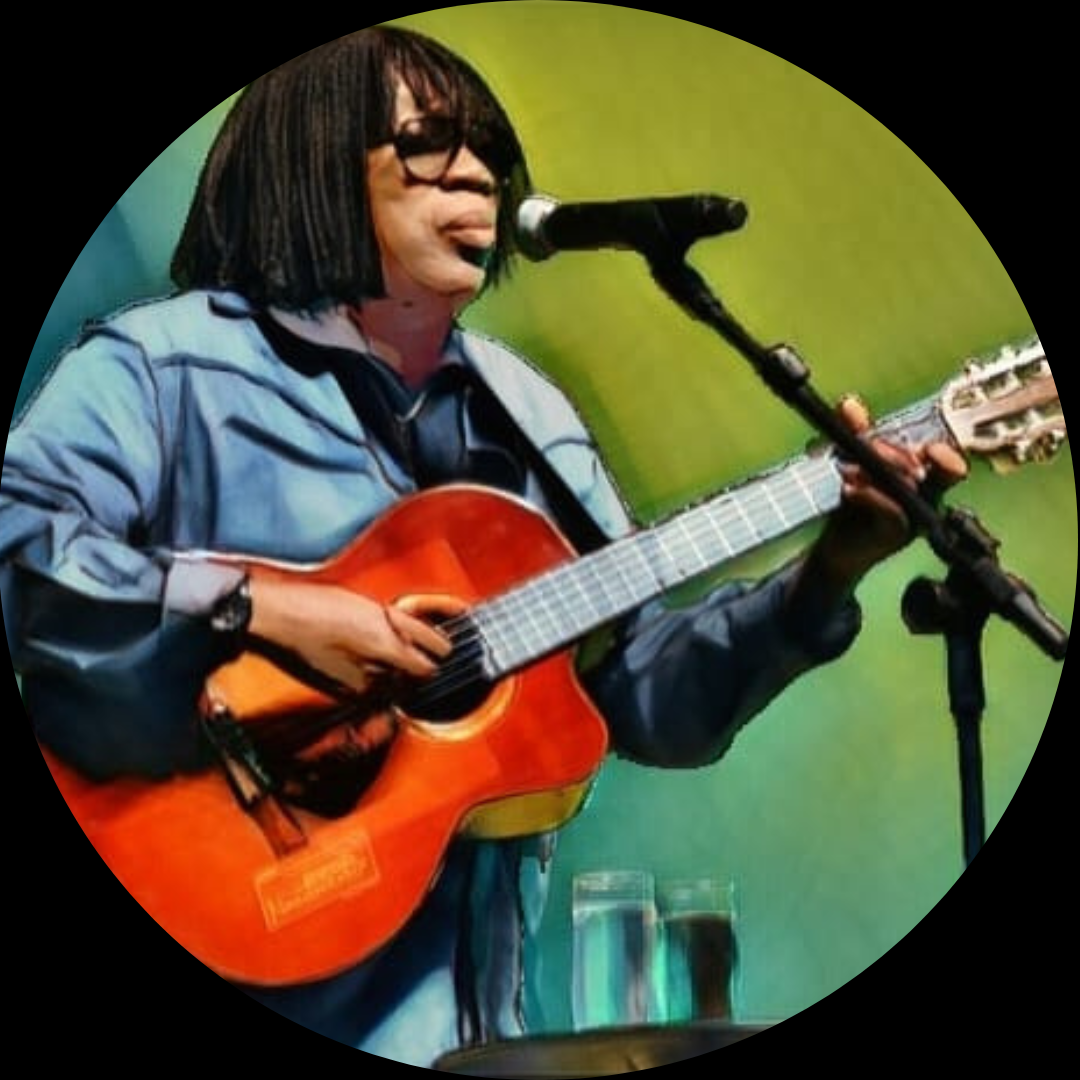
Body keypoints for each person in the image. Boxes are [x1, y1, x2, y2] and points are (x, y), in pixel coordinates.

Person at [1, 26, 964, 1067]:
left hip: (482, 1039)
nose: (478, 174)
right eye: (429, 143)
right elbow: (21, 548)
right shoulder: (161, 368)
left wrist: (830, 569)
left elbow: (646, 700)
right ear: (311, 159)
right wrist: (263, 610)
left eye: (490, 153)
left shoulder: (527, 415)